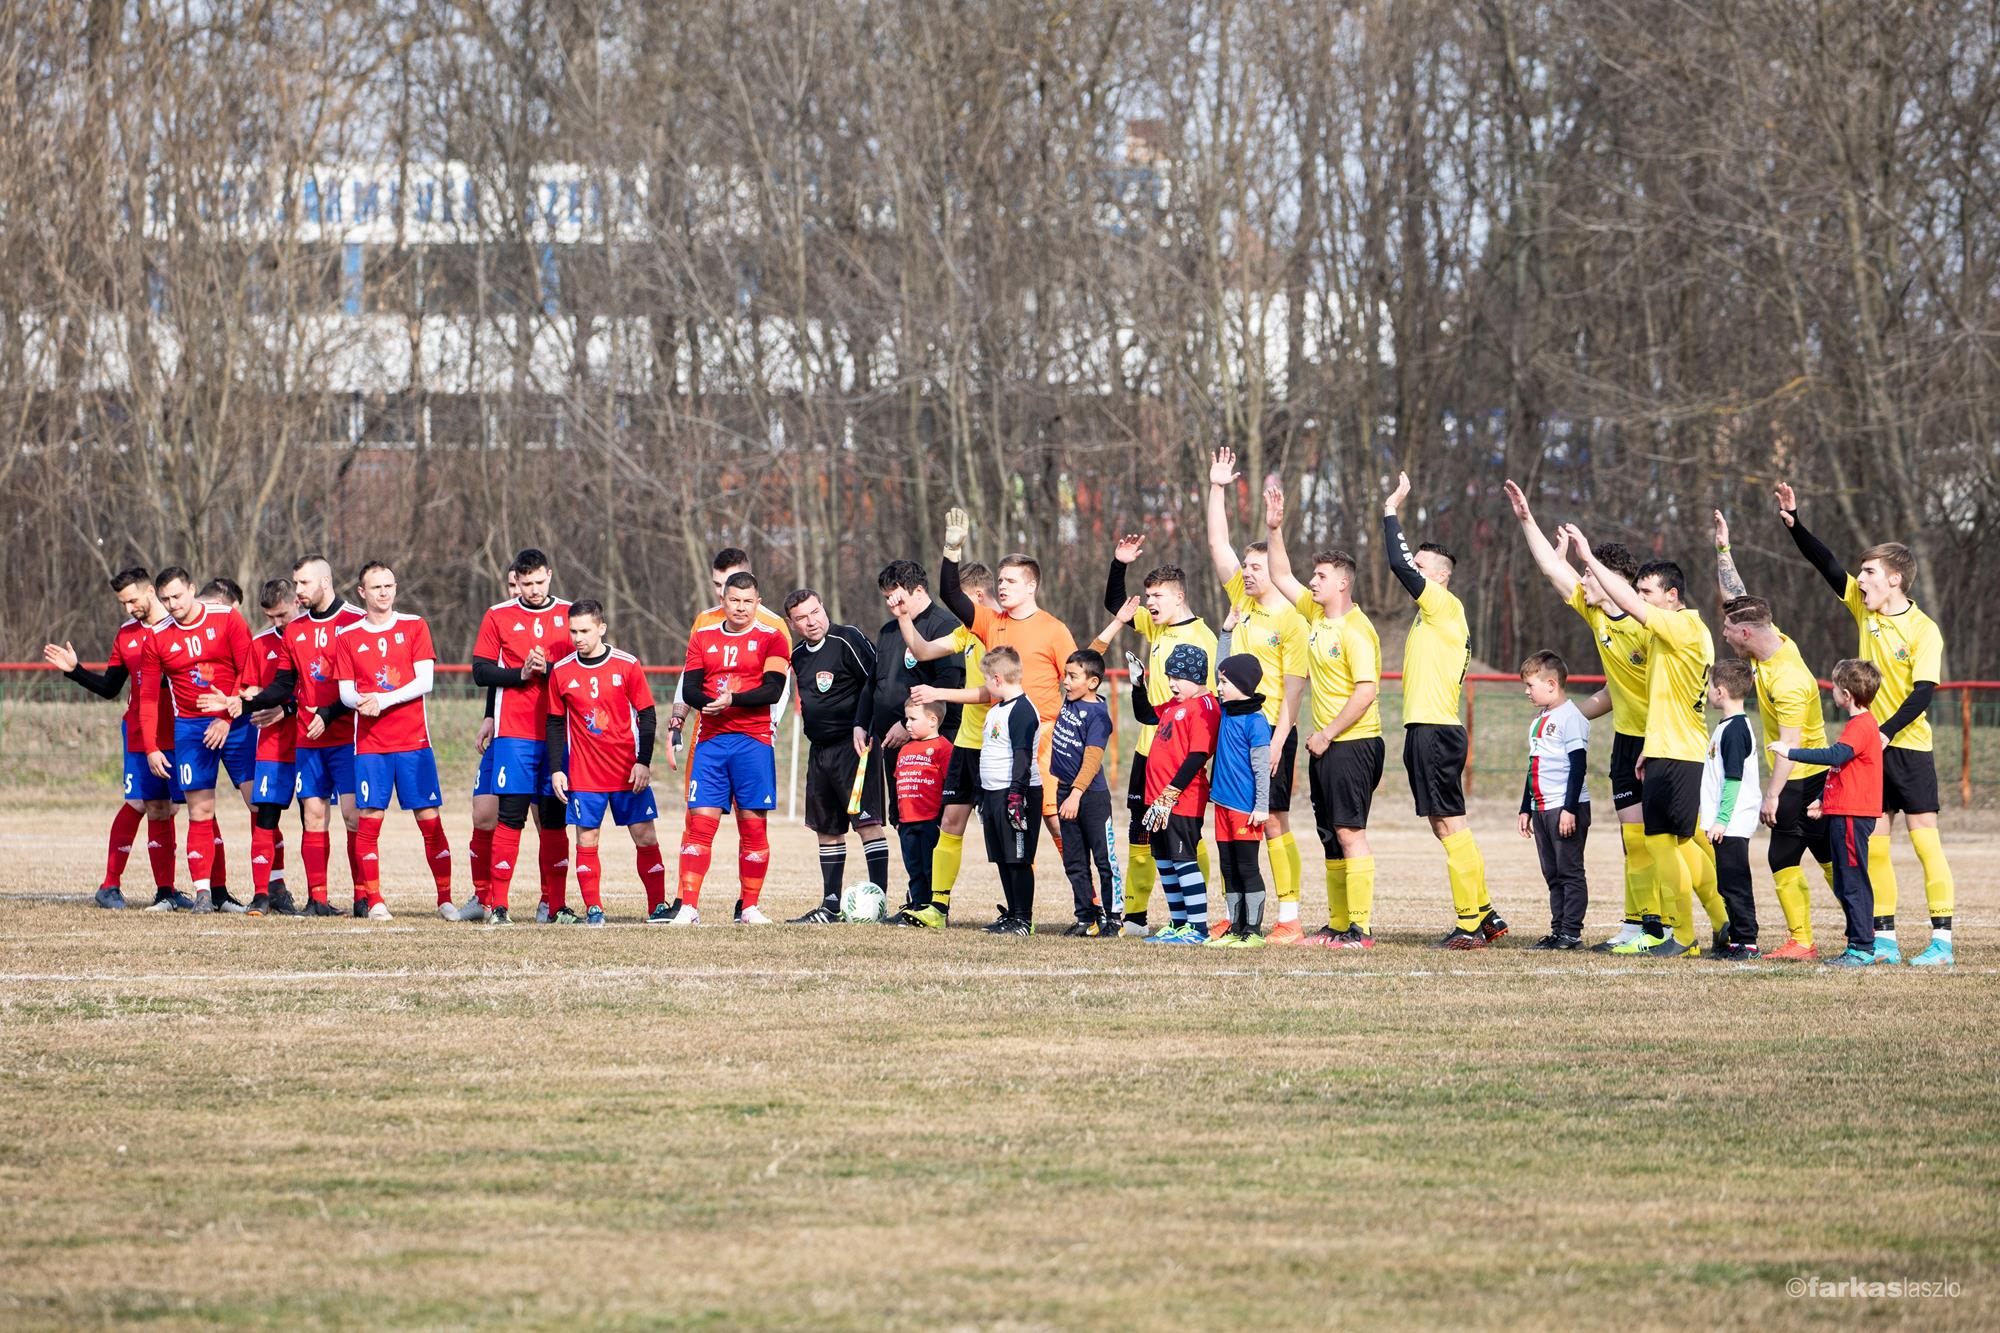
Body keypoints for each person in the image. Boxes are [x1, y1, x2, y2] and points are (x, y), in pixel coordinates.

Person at [1774, 483, 1954, 966]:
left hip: (1906, 746)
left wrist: (1885, 731)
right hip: (1869, 751)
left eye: (1870, 572)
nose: (1861, 579)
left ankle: (1942, 942)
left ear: (1894, 579)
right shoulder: (1863, 605)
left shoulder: (1923, 630)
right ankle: (1886, 942)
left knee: (1924, 842)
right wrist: (1797, 522)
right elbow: (1826, 564)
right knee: (1875, 846)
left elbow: (1923, 694)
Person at [1502, 479, 1656, 950]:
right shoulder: (1596, 615)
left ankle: (1677, 925)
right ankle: (1639, 923)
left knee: (1669, 841)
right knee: (1634, 840)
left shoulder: (1649, 628)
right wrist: (1526, 519)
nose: (1581, 581)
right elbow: (1553, 568)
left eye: (1589, 574)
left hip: (1665, 743)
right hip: (1628, 739)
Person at [1562, 526, 1718, 958]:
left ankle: (1701, 926)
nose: (1641, 596)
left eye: (1649, 590)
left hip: (1677, 748)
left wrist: (1587, 557)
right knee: (1658, 842)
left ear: (1671, 595)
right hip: (1655, 744)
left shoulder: (1681, 627)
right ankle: (1665, 926)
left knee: (1679, 843)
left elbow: (1631, 603)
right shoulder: (1665, 628)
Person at [1384, 473, 1504, 948]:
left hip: (1436, 731)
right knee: (1445, 824)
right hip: (1429, 730)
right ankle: (1485, 912)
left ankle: (1470, 922)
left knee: (1450, 824)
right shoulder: (1433, 614)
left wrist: (1391, 509)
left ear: (1438, 576)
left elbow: (1397, 562)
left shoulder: (1442, 605)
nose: (1413, 567)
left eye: (1422, 565)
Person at [1265, 488, 1383, 949]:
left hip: (1353, 743)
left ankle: (1360, 928)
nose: (1312, 582)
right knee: (1330, 832)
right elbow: (1279, 573)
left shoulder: (1356, 629)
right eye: (1312, 575)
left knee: (1351, 830)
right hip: (1327, 744)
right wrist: (1274, 528)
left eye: (1320, 576)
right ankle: (1337, 925)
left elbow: (1367, 691)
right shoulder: (1317, 615)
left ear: (1342, 583)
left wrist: (1328, 733)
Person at [1713, 546, 1835, 959]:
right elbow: (1740, 600)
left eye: (1728, 630)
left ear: (1746, 634)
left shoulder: (1788, 679)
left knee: (1782, 855)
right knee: (1826, 854)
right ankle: (1866, 930)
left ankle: (1803, 941)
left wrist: (1773, 794)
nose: (1725, 635)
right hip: (1807, 775)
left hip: (1802, 776)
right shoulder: (1774, 638)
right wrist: (1723, 550)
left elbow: (1791, 745)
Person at [1205, 450, 1308, 940]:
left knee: (1272, 819)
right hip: (1230, 726)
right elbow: (1217, 541)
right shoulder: (1240, 601)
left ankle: (1288, 916)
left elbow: (1293, 689)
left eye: (1255, 566)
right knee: (1228, 824)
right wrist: (1218, 487)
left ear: (1274, 570)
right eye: (1244, 565)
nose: (1246, 572)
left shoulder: (1291, 617)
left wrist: (1281, 741)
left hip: (1267, 730)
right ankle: (1235, 912)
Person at [43, 567, 182, 909]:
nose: (128, 608)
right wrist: (75, 671)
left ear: (151, 592)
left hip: (182, 730)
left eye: (132, 600)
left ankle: (167, 891)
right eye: (123, 603)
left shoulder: (179, 626)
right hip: (139, 730)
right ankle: (109, 885)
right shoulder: (127, 635)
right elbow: (110, 688)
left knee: (168, 808)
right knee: (140, 803)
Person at [938, 510, 1078, 845]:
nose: (1002, 586)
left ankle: (1088, 895)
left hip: (1043, 735)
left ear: (1031, 586)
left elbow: (1077, 683)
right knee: (1011, 823)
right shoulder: (990, 621)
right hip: (1000, 736)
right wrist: (951, 550)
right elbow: (951, 595)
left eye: (1011, 581)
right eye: (1000, 580)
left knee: (1053, 817)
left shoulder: (1054, 629)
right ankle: (1019, 900)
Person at [236, 555, 366, 916]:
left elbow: (360, 685)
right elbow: (284, 684)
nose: (299, 591)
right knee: (313, 815)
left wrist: (329, 713)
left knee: (354, 817)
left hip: (348, 737)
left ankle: (363, 897)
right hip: (309, 740)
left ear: (324, 582)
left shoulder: (355, 621)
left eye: (304, 584)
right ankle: (318, 899)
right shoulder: (295, 631)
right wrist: (249, 702)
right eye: (297, 584)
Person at [1103, 533, 1218, 936]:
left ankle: (1195, 918)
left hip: (1182, 753)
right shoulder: (1156, 629)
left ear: (1179, 596)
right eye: (1148, 594)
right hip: (1147, 745)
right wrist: (1120, 565)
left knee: (1185, 836)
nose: (1149, 602)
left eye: (1157, 596)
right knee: (1143, 833)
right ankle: (1135, 917)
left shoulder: (1202, 639)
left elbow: (1209, 701)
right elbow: (1117, 606)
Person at [669, 571, 790, 926]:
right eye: (734, 600)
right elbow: (689, 688)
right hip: (711, 743)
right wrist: (712, 704)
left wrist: (731, 700)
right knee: (700, 825)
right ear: (723, 601)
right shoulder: (703, 636)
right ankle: (689, 907)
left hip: (753, 743)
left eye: (748, 601)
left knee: (753, 828)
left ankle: (749, 907)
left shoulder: (772, 638)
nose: (741, 607)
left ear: (758, 602)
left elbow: (773, 689)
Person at [134, 567, 257, 914]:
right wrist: (152, 748)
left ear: (191, 589)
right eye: (166, 599)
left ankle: (267, 891)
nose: (173, 604)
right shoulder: (157, 638)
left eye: (178, 595)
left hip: (235, 722)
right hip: (190, 730)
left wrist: (225, 716)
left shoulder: (227, 619)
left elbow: (249, 672)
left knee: (259, 804)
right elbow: (146, 699)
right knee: (200, 811)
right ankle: (203, 894)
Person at [333, 562, 450, 920]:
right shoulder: (348, 637)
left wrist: (381, 700)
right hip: (371, 745)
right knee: (370, 816)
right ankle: (375, 900)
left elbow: (424, 681)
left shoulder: (415, 626)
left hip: (414, 742)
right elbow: (345, 692)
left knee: (429, 818)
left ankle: (445, 899)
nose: (384, 592)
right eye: (376, 587)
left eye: (389, 585)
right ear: (362, 593)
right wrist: (361, 702)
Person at [860, 558, 968, 919]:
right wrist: (863, 722)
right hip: (894, 747)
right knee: (904, 820)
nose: (891, 604)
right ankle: (916, 896)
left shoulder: (946, 626)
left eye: (896, 596)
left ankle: (935, 903)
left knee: (929, 823)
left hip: (931, 747)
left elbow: (950, 687)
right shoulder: (890, 631)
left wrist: (908, 727)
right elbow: (875, 682)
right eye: (887, 597)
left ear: (918, 590)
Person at [469, 548, 573, 923]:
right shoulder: (498, 615)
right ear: (517, 579)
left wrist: (550, 672)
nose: (532, 590)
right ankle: (499, 906)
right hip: (514, 734)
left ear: (550, 574)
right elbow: (480, 671)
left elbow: (584, 667)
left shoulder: (571, 612)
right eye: (526, 583)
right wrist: (521, 674)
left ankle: (553, 904)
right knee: (510, 817)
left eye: (539, 582)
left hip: (560, 733)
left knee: (553, 819)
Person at [545, 600, 664, 927]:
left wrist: (643, 762)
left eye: (585, 630)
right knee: (587, 839)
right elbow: (555, 723)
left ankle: (658, 906)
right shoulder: (562, 670)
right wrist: (558, 768)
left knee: (645, 837)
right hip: (584, 774)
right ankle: (594, 908)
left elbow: (648, 715)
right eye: (573, 631)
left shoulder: (627, 664)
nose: (578, 637)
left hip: (628, 770)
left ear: (601, 628)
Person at [891, 562, 994, 929]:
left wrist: (938, 693)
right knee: (950, 822)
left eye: (961, 602)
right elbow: (921, 651)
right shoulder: (968, 634)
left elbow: (993, 691)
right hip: (968, 741)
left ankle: (1076, 907)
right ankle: (936, 907)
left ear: (978, 597)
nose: (957, 612)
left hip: (1000, 743)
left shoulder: (1000, 632)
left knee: (1020, 827)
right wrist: (904, 618)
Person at [783, 587, 890, 922]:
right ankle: (830, 905)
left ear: (823, 607)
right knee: (827, 828)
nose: (811, 621)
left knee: (867, 823)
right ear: (793, 623)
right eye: (802, 617)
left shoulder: (847, 639)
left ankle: (879, 903)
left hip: (854, 745)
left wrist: (867, 725)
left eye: (815, 612)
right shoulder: (798, 655)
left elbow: (877, 681)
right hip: (819, 751)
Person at [1770, 660, 1886, 968]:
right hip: (1841, 812)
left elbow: (1835, 756)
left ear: (1846, 695)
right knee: (1844, 881)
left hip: (1852, 817)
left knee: (1852, 880)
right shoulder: (1857, 725)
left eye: (1834, 688)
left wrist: (1790, 751)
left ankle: (1862, 946)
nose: (1831, 692)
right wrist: (1823, 799)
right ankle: (1858, 942)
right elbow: (1843, 769)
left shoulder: (1861, 725)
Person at [673, 547, 793, 802]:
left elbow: (780, 685)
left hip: (752, 730)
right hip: (708, 727)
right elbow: (689, 675)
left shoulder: (774, 627)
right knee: (697, 810)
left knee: (748, 812)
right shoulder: (704, 621)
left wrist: (770, 725)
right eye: (717, 584)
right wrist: (677, 720)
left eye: (727, 583)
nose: (720, 591)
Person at [1129, 644, 1219, 943]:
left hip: (1181, 800)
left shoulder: (1205, 707)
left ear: (1197, 677)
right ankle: (1179, 924)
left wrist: (1170, 794)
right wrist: (1138, 685)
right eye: (1169, 677)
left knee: (1183, 861)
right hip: (1158, 800)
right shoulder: (1173, 705)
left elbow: (1197, 756)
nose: (1171, 683)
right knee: (1165, 861)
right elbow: (1145, 715)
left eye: (1178, 677)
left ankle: (1197, 928)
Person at [236, 578, 301, 915]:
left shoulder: (309, 636)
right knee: (266, 817)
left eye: (282, 615)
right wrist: (246, 699)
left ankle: (320, 897)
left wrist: (287, 709)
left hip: (309, 744)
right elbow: (249, 690)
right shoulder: (260, 644)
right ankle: (263, 894)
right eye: (271, 617)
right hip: (272, 748)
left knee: (314, 820)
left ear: (297, 602)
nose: (277, 623)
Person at [1517, 651, 1590, 950]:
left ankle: (1571, 933)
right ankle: (1558, 930)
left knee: (1569, 871)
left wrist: (1570, 809)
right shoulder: (1540, 718)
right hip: (1542, 806)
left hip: (1564, 807)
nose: (1526, 691)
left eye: (1530, 685)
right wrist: (1526, 807)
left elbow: (1578, 765)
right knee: (1552, 873)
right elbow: (1534, 763)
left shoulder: (1571, 717)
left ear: (1551, 683)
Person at [463, 566, 519, 921]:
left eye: (524, 583)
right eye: (513, 584)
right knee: (484, 814)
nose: (518, 590)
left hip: (542, 735)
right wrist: (489, 715)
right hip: (503, 730)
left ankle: (550, 900)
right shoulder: (499, 620)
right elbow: (491, 674)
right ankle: (482, 898)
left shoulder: (555, 619)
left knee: (544, 820)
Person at [1205, 653, 1271, 949]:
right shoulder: (1226, 711)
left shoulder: (1256, 721)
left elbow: (1261, 768)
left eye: (1224, 681)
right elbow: (1223, 657)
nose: (1218, 686)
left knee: (1247, 868)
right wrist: (1226, 631)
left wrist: (1261, 806)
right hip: (1222, 805)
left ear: (1241, 684)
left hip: (1246, 810)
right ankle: (1236, 927)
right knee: (1228, 869)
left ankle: (1253, 932)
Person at [1051, 649, 1118, 936]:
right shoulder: (1071, 697)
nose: (1066, 681)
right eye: (1066, 675)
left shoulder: (1099, 716)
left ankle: (1113, 919)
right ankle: (1087, 917)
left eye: (1072, 677)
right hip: (1065, 790)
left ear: (1092, 682)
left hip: (1089, 796)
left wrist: (1076, 795)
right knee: (1074, 860)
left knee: (1104, 860)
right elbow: (1089, 653)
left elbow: (1092, 760)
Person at [976, 647, 1043, 936]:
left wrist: (1016, 795)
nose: (986, 686)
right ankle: (1012, 913)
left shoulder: (1022, 710)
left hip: (1015, 794)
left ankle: (1023, 919)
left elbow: (1022, 756)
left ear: (997, 678)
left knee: (1018, 858)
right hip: (993, 793)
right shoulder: (996, 710)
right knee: (1003, 857)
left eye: (986, 680)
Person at [1699, 659, 1762, 959]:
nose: (1708, 692)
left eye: (1710, 687)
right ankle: (1736, 940)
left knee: (1736, 883)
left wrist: (1722, 820)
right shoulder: (1727, 726)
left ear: (1720, 692)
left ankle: (1747, 942)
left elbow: (1734, 779)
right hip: (1724, 823)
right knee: (1726, 883)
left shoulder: (1736, 729)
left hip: (1732, 823)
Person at [893, 699, 952, 921]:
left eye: (912, 719)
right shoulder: (905, 749)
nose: (907, 724)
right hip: (906, 821)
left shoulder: (943, 748)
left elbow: (950, 786)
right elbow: (898, 782)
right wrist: (895, 815)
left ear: (932, 720)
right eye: (906, 718)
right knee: (913, 867)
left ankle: (935, 910)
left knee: (931, 867)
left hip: (930, 821)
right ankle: (917, 906)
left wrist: (941, 818)